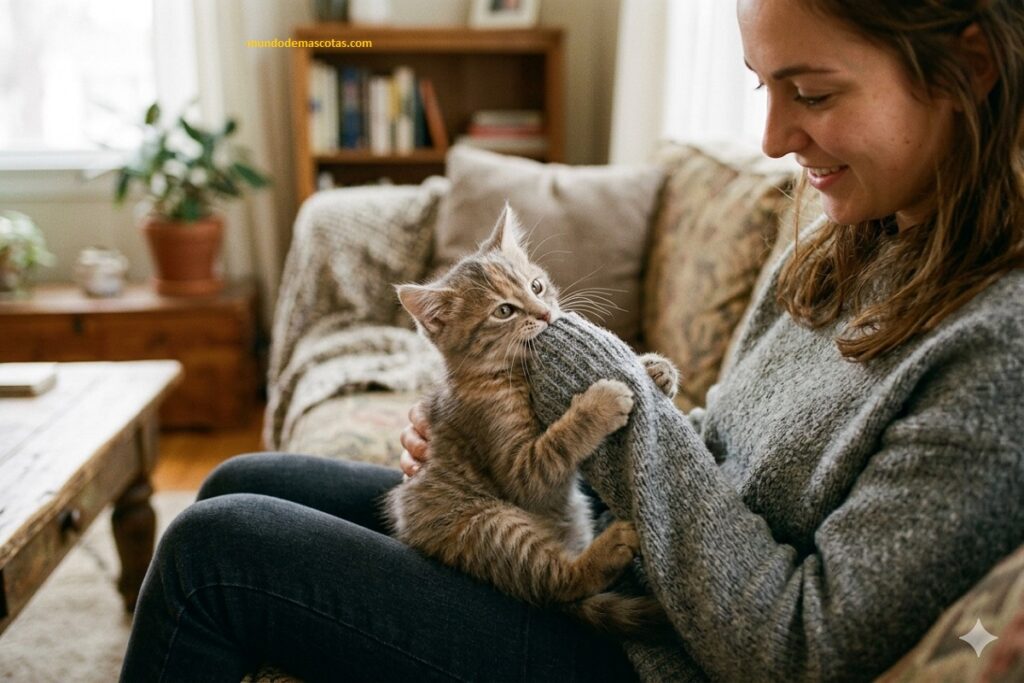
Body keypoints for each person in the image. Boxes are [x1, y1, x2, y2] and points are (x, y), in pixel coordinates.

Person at [119, 0, 1024, 680]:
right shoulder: (857, 233)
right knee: (243, 479)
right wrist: (498, 446)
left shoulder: (999, 355)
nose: (774, 136)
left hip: (657, 658)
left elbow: (796, 647)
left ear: (969, 66)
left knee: (215, 554)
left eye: (813, 91)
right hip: (644, 580)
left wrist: (590, 385)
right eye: (764, 85)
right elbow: (716, 449)